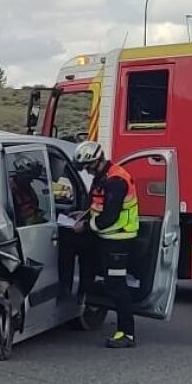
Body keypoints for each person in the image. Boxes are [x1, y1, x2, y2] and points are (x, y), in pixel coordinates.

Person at [72, 140, 139, 348]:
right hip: (106, 237)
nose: (88, 172)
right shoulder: (103, 177)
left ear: (97, 161)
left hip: (119, 239)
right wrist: (82, 214)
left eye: (88, 167)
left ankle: (127, 334)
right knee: (106, 280)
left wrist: (86, 226)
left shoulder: (117, 180)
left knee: (117, 286)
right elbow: (97, 204)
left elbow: (109, 216)